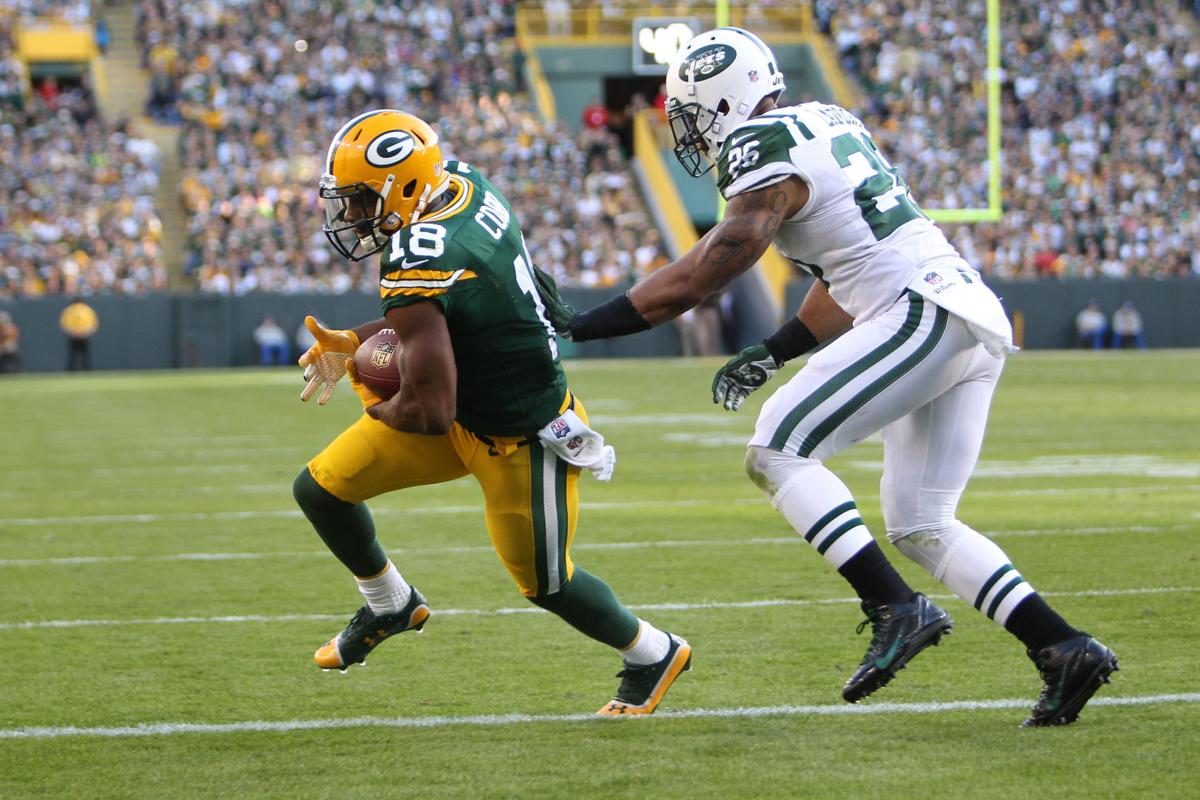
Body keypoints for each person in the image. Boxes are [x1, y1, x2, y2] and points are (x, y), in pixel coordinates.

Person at [541, 28, 1117, 727]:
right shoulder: (823, 120)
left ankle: (894, 607)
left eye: (693, 115)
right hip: (957, 310)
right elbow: (847, 273)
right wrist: (775, 349)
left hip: (922, 309)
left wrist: (582, 322)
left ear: (726, 100)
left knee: (775, 447)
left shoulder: (762, 144)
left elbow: (711, 266)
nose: (691, 133)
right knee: (922, 521)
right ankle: (1062, 647)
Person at [293, 109, 691, 716]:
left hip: (519, 434)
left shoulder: (418, 253)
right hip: (467, 406)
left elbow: (428, 410)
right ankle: (389, 602)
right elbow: (447, 312)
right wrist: (357, 340)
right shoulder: (462, 184)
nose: (351, 217)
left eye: (359, 201)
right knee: (321, 490)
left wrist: (370, 391)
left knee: (546, 583)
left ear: (402, 188)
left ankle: (653, 651)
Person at [59, 297, 99, 371]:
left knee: (81, 355)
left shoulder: (70, 310)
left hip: (78, 335)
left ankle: (81, 370)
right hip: (79, 336)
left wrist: (75, 332)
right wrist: (84, 332)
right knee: (75, 355)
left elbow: (64, 324)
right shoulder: (87, 310)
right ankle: (80, 370)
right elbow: (93, 324)